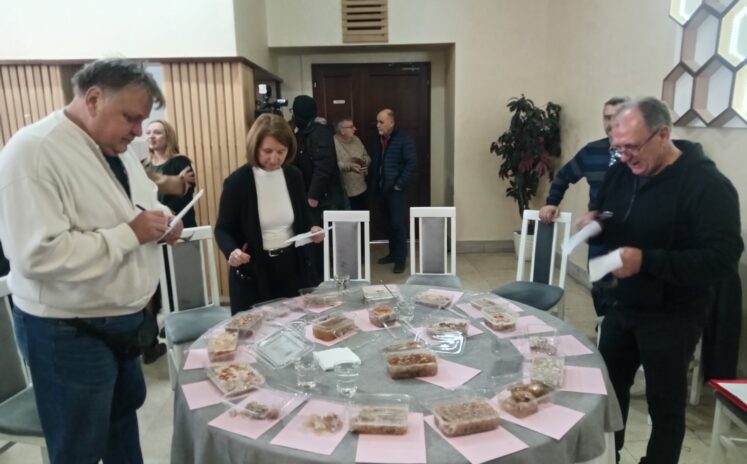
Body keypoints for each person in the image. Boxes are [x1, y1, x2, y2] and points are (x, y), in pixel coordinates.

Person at [0, 58, 183, 464]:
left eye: (143, 120)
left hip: (122, 322)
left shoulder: (118, 150)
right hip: (67, 331)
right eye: (131, 118)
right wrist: (130, 234)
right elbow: (37, 255)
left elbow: (143, 205)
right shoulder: (33, 151)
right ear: (94, 98)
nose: (139, 130)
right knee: (78, 448)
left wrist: (165, 221)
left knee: (122, 430)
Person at [577, 97, 743, 464]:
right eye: (618, 148)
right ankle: (609, 458)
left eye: (632, 147)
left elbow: (723, 258)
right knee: (607, 392)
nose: (625, 157)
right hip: (623, 304)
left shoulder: (707, 185)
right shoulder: (622, 171)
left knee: (665, 407)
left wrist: (647, 261)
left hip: (674, 314)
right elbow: (613, 212)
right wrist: (597, 222)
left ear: (663, 135)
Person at [215, 113, 324, 315]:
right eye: (267, 151)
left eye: (281, 151)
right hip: (255, 269)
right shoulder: (237, 182)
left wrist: (313, 228)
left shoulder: (293, 176)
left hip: (291, 265)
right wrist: (232, 251)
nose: (274, 159)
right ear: (254, 147)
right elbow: (222, 229)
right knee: (257, 329)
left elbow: (304, 213)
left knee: (296, 323)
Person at [539, 96, 629, 318]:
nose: (611, 123)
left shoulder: (639, 154)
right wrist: (552, 202)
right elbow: (564, 176)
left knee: (628, 295)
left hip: (631, 237)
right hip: (599, 237)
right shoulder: (592, 152)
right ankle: (603, 328)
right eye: (607, 117)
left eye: (618, 117)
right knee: (601, 290)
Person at [290, 95, 347, 276]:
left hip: (323, 198)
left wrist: (313, 195)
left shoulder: (319, 132)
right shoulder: (303, 131)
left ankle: (325, 278)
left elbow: (323, 167)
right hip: (312, 195)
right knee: (314, 242)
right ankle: (317, 275)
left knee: (322, 241)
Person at [369, 109, 417, 274]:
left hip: (396, 191)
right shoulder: (378, 140)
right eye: (377, 121)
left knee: (398, 225)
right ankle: (392, 254)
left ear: (391, 122)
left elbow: (411, 164)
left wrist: (399, 184)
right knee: (388, 224)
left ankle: (400, 259)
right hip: (382, 189)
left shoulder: (404, 139)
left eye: (381, 122)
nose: (378, 125)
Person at [145, 119, 197, 227]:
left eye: (157, 132)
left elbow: (186, 193)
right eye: (148, 133)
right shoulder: (142, 165)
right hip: (153, 225)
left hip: (178, 224)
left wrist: (166, 213)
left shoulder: (181, 162)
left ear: (168, 137)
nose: (151, 136)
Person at [334, 117, 371, 211]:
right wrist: (349, 166)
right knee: (349, 219)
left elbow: (367, 156)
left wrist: (364, 162)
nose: (355, 128)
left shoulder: (356, 139)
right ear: (342, 130)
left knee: (363, 218)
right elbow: (332, 166)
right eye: (351, 127)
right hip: (345, 193)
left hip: (362, 188)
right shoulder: (333, 142)